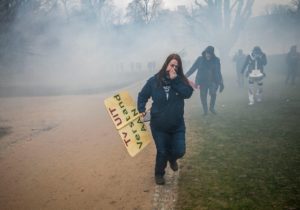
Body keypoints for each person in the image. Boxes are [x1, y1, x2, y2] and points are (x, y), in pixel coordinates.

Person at [137, 54, 193, 185]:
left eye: (176, 67)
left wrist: (175, 80)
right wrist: (141, 109)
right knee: (162, 151)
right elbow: (142, 95)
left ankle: (172, 158)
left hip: (177, 125)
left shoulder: (181, 81)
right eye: (171, 65)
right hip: (159, 125)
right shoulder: (154, 81)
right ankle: (159, 174)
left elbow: (188, 93)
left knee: (180, 150)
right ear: (166, 64)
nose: (173, 68)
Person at [185, 46, 224, 115]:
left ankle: (211, 108)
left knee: (213, 93)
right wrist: (185, 76)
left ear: (212, 54)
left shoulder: (216, 60)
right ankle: (205, 111)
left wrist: (221, 83)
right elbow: (193, 68)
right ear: (205, 53)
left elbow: (219, 72)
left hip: (213, 81)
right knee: (203, 96)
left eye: (209, 53)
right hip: (202, 81)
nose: (208, 55)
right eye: (207, 53)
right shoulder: (200, 59)